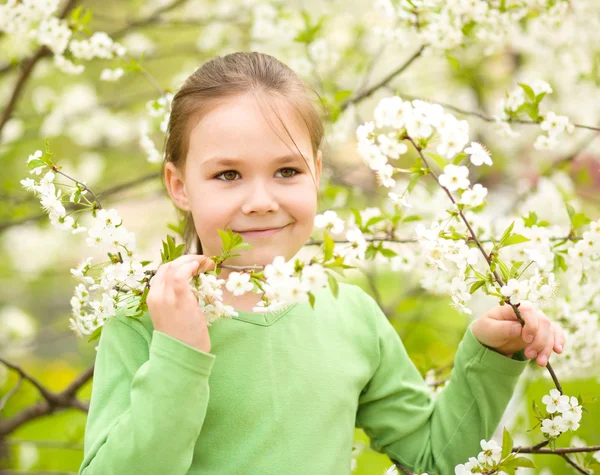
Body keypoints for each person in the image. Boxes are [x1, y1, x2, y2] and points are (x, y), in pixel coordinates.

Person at [78, 51, 565, 475]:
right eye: (228, 174)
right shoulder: (145, 322)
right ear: (180, 185)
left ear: (316, 170)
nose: (261, 200)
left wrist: (491, 355)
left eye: (287, 171)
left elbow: (437, 454)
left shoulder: (349, 314)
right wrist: (178, 355)